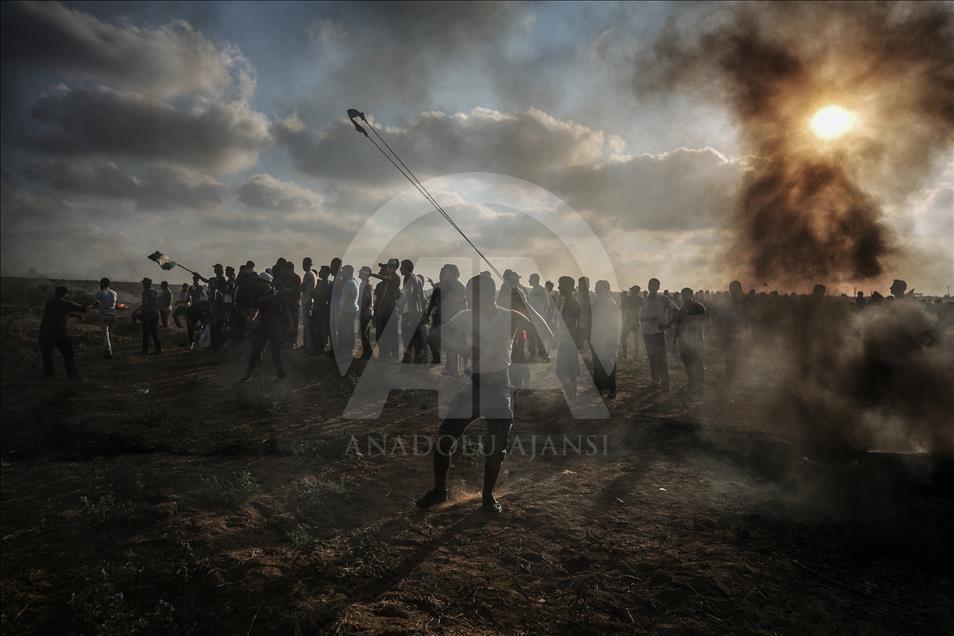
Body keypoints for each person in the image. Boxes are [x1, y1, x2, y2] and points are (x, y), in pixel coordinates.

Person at [417, 274, 552, 514]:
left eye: (472, 295)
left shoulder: (510, 317)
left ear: (487, 296)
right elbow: (433, 336)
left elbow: (547, 336)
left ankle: (488, 496)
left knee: (495, 448)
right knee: (444, 439)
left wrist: (526, 303)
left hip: (500, 387)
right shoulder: (466, 316)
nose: (467, 299)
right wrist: (463, 348)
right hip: (474, 387)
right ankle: (439, 491)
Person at [242, 275, 289, 381]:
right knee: (255, 350)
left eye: (260, 282)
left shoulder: (277, 294)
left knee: (275, 351)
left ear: (266, 283)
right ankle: (248, 375)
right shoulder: (261, 294)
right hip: (264, 325)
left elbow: (284, 309)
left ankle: (280, 375)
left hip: (275, 325)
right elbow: (258, 304)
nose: (258, 284)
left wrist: (289, 324)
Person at [425, 264, 466, 375]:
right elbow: (433, 302)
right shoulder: (443, 285)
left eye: (447, 272)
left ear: (454, 274)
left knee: (451, 344)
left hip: (453, 319)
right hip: (442, 318)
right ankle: (449, 368)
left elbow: (460, 304)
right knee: (445, 343)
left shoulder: (459, 287)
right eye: (443, 272)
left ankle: (454, 370)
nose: (444, 274)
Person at [39, 286, 88, 378]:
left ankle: (49, 376)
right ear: (65, 294)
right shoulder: (66, 303)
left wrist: (74, 315)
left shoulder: (49, 303)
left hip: (44, 333)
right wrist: (83, 303)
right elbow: (83, 309)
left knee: (47, 356)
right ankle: (72, 376)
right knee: (68, 354)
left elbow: (59, 312)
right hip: (59, 334)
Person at [640, 277, 676, 390]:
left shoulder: (663, 298)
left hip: (657, 333)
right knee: (652, 358)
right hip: (647, 332)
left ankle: (665, 382)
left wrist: (668, 324)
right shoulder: (645, 300)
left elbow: (676, 310)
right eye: (650, 284)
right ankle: (655, 381)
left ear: (658, 287)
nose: (651, 287)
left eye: (654, 285)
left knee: (661, 358)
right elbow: (640, 315)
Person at [590, 280, 620, 398]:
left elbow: (615, 323)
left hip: (608, 339)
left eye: (599, 287)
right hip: (596, 338)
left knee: (609, 364)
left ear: (606, 290)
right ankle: (598, 388)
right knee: (597, 364)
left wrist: (613, 339)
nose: (597, 289)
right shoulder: (594, 304)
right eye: (596, 287)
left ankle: (612, 389)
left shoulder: (611, 304)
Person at [674, 287, 707, 393]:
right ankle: (692, 382)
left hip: (696, 338)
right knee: (687, 361)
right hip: (684, 339)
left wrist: (689, 319)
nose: (685, 297)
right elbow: (678, 326)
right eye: (683, 295)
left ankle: (700, 383)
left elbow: (703, 320)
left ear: (692, 295)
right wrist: (675, 340)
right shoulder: (682, 309)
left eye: (687, 295)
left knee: (698, 360)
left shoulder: (699, 307)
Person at [555, 276, 582, 401]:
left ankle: (572, 397)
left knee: (561, 372)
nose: (559, 287)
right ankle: (573, 397)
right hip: (569, 341)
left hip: (568, 342)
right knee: (571, 372)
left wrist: (562, 338)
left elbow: (572, 325)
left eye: (561, 284)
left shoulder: (571, 303)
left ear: (569, 287)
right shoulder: (567, 301)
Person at [372, 259, 401, 360]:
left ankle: (393, 355)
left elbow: (386, 278)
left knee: (391, 334)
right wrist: (375, 314)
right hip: (381, 312)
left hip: (391, 312)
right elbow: (377, 300)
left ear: (395, 268)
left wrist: (371, 274)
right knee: (379, 335)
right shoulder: (380, 285)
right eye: (388, 266)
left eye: (391, 266)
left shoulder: (396, 279)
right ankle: (384, 354)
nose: (388, 268)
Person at [399, 259, 426, 363]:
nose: (400, 269)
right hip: (417, 311)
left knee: (407, 335)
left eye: (401, 267)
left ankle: (407, 358)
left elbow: (407, 293)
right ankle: (418, 358)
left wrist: (400, 306)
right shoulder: (418, 278)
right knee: (416, 336)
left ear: (406, 267)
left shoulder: (408, 276)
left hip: (409, 311)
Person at [720, 280, 746, 387]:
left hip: (737, 333)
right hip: (728, 333)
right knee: (729, 356)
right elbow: (722, 316)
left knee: (734, 356)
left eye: (735, 288)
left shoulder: (743, 301)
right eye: (732, 287)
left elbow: (746, 315)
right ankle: (728, 377)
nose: (733, 290)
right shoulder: (728, 300)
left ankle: (729, 376)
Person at [336, 265, 360, 362]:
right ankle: (346, 353)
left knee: (346, 333)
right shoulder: (351, 282)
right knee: (347, 333)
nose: (342, 273)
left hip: (348, 311)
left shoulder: (349, 283)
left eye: (343, 272)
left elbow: (347, 298)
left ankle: (347, 354)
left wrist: (342, 310)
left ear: (348, 272)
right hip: (349, 310)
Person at [526, 273, 550, 360]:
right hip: (532, 317)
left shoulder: (541, 290)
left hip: (539, 317)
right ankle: (533, 354)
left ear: (535, 280)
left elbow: (546, 303)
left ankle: (542, 354)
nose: (529, 281)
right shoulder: (533, 291)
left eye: (530, 279)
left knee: (539, 336)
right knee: (532, 336)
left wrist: (542, 315)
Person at [94, 277, 118, 359]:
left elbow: (95, 302)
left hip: (104, 315)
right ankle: (109, 349)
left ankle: (108, 352)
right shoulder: (114, 293)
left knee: (105, 334)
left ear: (102, 284)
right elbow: (116, 304)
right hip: (113, 315)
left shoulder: (100, 293)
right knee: (110, 333)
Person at [139, 277, 162, 354]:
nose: (142, 284)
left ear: (146, 284)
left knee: (146, 332)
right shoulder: (156, 291)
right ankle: (158, 348)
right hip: (156, 313)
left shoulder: (145, 292)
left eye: (143, 283)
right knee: (154, 332)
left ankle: (145, 350)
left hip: (148, 313)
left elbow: (145, 304)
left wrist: (138, 311)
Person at [313, 265, 332, 353]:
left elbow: (320, 296)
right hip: (318, 308)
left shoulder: (326, 284)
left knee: (321, 329)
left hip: (322, 309)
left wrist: (315, 295)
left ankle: (321, 348)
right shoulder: (321, 283)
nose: (320, 272)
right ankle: (319, 346)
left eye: (322, 271)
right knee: (317, 329)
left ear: (327, 273)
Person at [357, 266, 375, 360]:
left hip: (366, 313)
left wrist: (361, 311)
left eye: (361, 272)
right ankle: (367, 353)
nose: (359, 273)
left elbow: (368, 300)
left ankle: (368, 353)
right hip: (365, 312)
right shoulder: (363, 284)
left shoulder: (367, 285)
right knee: (364, 333)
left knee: (363, 333)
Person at [300, 257, 318, 350]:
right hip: (308, 300)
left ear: (310, 264)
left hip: (307, 301)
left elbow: (302, 288)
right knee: (307, 325)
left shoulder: (309, 274)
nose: (303, 266)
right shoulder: (310, 274)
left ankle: (308, 345)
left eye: (305, 264)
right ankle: (307, 344)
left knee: (307, 325)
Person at [620, 285, 642, 359]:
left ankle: (626, 354)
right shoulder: (639, 299)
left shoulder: (628, 299)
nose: (632, 291)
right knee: (635, 340)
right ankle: (633, 355)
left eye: (633, 290)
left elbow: (623, 309)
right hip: (633, 321)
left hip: (630, 321)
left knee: (625, 338)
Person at [186, 273, 205, 346]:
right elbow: (188, 297)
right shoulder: (191, 288)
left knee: (203, 323)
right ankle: (192, 341)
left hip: (199, 307)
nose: (195, 280)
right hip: (193, 306)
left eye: (196, 279)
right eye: (194, 279)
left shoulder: (200, 287)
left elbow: (203, 296)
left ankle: (202, 340)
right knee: (190, 324)